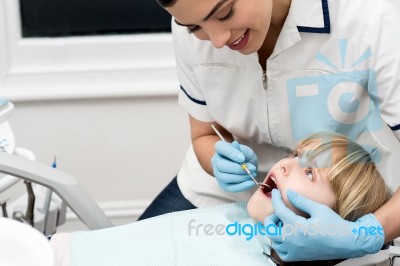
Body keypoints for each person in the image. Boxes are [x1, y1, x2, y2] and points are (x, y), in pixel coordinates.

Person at [138, 0, 400, 260]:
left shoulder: (373, 19)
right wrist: (217, 160)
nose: (217, 41)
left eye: (225, 13)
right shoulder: (191, 14)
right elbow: (205, 134)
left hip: (341, 208)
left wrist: (366, 233)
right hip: (219, 194)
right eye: (195, 27)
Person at [57, 132, 391, 265]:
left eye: (310, 173)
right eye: (295, 154)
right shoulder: (241, 219)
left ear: (334, 221)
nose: (287, 163)